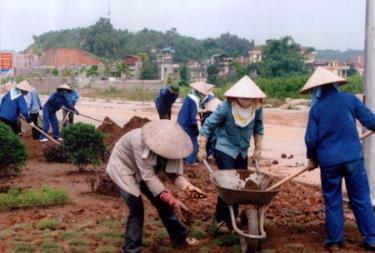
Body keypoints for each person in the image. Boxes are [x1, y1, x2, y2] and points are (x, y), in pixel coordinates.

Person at [302, 67, 375, 251]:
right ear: (335, 85)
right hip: (353, 159)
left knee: (333, 200)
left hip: (329, 162)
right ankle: (371, 239)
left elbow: (311, 139)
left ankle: (334, 240)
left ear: (316, 90)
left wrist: (312, 158)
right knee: (360, 198)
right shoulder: (350, 99)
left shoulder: (316, 109)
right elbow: (370, 121)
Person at [106, 120, 205, 253]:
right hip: (124, 169)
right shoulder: (138, 141)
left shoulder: (173, 148)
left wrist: (188, 187)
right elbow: (148, 177)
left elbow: (174, 174)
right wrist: (172, 199)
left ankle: (179, 238)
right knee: (136, 210)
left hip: (145, 173)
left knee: (163, 204)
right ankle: (131, 249)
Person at [199, 75, 265, 229]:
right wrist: (202, 146)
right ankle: (221, 219)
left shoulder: (257, 108)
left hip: (242, 151)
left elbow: (259, 128)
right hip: (224, 148)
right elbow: (208, 125)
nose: (246, 100)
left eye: (249, 97)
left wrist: (258, 148)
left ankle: (232, 218)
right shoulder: (226, 107)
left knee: (239, 185)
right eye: (243, 97)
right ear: (236, 96)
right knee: (228, 183)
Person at [177, 81, 209, 165]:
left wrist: (203, 110)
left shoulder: (189, 96)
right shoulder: (195, 100)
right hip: (187, 124)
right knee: (193, 141)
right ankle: (190, 161)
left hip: (181, 121)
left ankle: (183, 159)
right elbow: (192, 117)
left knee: (184, 141)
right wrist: (196, 129)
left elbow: (192, 109)